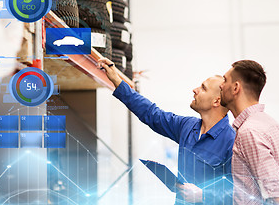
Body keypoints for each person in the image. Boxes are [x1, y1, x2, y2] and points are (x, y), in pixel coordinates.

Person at [98, 58, 235, 204]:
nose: (195, 90)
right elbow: (152, 114)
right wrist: (117, 82)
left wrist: (204, 195)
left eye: (203, 88)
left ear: (216, 101)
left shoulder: (231, 141)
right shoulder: (187, 126)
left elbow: (238, 193)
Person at [219, 60, 279, 205]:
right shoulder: (270, 123)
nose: (221, 85)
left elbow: (277, 196)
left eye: (225, 80)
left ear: (235, 88)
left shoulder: (249, 132)